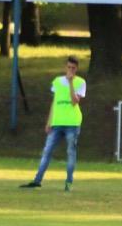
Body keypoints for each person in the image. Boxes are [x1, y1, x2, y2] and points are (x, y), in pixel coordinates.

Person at [20, 56, 86, 191]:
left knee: (70, 152)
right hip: (57, 122)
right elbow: (54, 103)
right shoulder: (57, 81)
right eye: (69, 67)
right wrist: (49, 122)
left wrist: (71, 83)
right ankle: (37, 180)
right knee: (47, 151)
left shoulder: (80, 82)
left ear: (77, 69)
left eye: (73, 68)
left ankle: (68, 183)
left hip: (72, 123)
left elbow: (74, 101)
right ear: (65, 67)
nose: (70, 70)